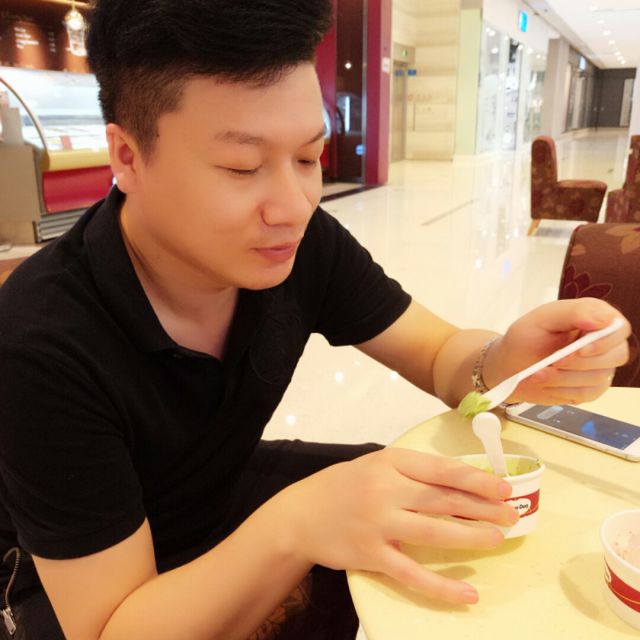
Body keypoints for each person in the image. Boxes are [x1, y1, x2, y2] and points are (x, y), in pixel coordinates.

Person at [0, 1, 630, 639]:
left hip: (217, 488)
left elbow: (439, 354)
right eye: (243, 167)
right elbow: (110, 629)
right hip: (69, 583)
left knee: (423, 496)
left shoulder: (299, 245)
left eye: (307, 158)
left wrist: (503, 361)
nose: (294, 205)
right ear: (128, 157)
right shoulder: (42, 341)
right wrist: (297, 525)